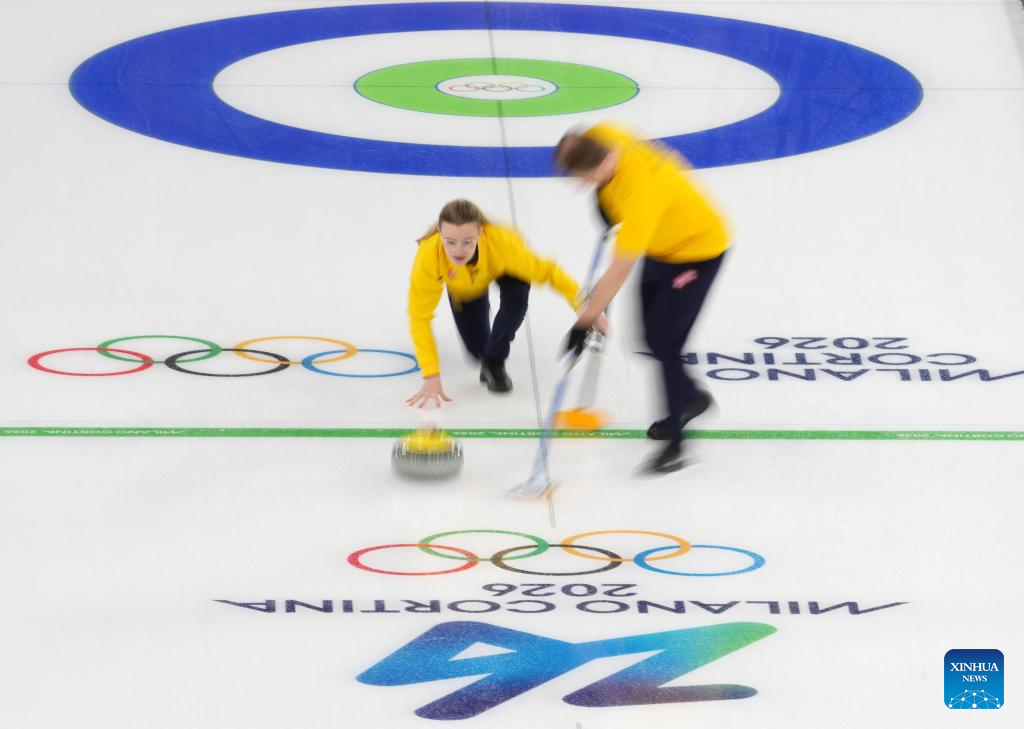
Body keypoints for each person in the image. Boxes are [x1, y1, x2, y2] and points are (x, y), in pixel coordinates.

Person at [554, 122, 729, 474]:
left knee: (666, 343)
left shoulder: (641, 197)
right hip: (661, 246)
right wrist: (606, 197)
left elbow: (618, 271)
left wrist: (584, 323)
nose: (583, 184)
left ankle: (676, 443)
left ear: (603, 163)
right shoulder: (604, 134)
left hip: (696, 253)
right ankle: (691, 396)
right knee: (648, 337)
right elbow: (660, 152)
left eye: (586, 178)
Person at [406, 199, 587, 408]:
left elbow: (549, 271)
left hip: (506, 266)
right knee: (478, 352)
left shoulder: (503, 243)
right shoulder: (429, 256)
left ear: (480, 232)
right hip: (466, 286)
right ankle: (485, 347)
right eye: (450, 242)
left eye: (467, 241)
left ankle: (494, 361)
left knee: (515, 304)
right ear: (439, 233)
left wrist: (586, 308)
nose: (458, 251)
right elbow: (419, 316)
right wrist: (430, 374)